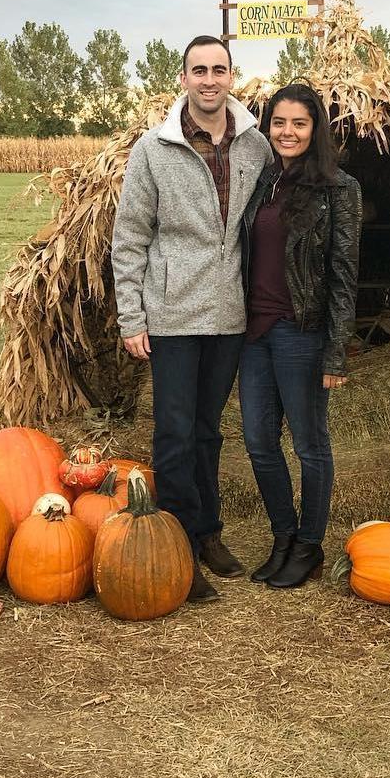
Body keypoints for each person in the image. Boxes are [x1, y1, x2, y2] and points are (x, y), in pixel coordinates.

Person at [111, 35, 273, 603]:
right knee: (175, 433)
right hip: (173, 312)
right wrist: (132, 316)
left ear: (233, 77)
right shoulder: (154, 150)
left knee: (208, 431)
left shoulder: (255, 146)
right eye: (198, 70)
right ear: (183, 79)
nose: (209, 80)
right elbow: (130, 238)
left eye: (219, 70)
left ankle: (207, 532)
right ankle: (177, 547)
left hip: (229, 313)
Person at [238, 84, 361, 589]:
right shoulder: (262, 181)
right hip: (254, 332)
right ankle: (282, 536)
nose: (287, 133)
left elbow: (343, 275)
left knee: (310, 445)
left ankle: (309, 544)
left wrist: (336, 352)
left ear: (316, 130)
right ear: (268, 127)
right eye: (279, 123)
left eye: (299, 124)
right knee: (259, 442)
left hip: (300, 333)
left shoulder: (338, 188)